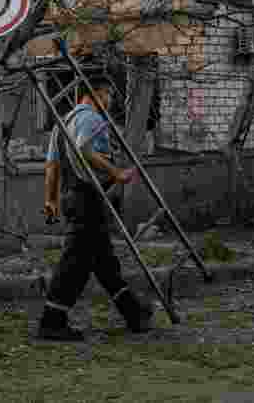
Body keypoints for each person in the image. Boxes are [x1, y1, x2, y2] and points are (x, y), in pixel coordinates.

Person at [37, 79, 154, 341]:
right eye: (109, 95)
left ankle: (134, 313)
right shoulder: (91, 118)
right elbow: (83, 149)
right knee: (74, 263)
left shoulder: (61, 122)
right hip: (87, 198)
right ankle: (51, 321)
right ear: (99, 94)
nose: (110, 101)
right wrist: (116, 173)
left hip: (71, 197)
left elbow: (52, 166)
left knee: (104, 262)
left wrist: (51, 199)